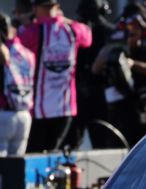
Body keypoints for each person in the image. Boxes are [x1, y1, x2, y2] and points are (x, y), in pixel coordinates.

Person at [18, 0, 92, 153]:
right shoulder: (72, 29)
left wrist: (24, 23)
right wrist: (64, 20)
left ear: (35, 8)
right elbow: (88, 38)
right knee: (51, 157)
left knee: (33, 155)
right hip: (65, 109)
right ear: (57, 7)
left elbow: (19, 43)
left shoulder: (34, 31)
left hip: (38, 111)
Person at [92, 11, 146, 147]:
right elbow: (95, 69)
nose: (132, 32)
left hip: (142, 108)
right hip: (119, 110)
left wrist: (132, 64)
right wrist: (112, 49)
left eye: (136, 29)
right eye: (129, 29)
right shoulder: (114, 48)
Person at [62, 0, 115, 149]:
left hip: (81, 92)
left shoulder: (72, 30)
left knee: (71, 145)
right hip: (99, 94)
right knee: (102, 144)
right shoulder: (111, 31)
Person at [0, 12, 35, 156]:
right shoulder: (27, 52)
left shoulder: (3, 51)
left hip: (4, 113)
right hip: (24, 115)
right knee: (16, 170)